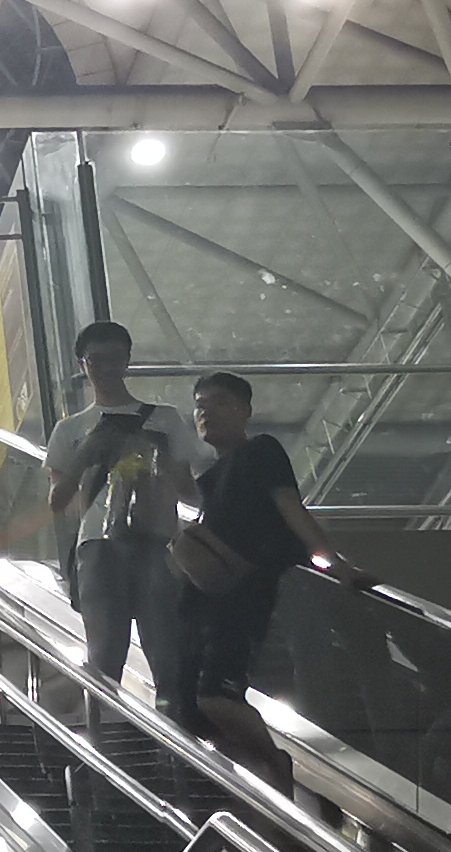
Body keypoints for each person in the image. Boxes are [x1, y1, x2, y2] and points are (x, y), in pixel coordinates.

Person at [174, 370, 369, 794]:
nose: (206, 412)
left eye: (219, 402)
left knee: (214, 696)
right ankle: (260, 781)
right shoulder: (210, 479)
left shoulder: (261, 452)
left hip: (248, 597)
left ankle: (275, 765)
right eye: (200, 405)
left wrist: (334, 564)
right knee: (191, 705)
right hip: (211, 600)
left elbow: (291, 508)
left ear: (245, 410)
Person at [38, 321, 202, 719]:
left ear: (128, 361)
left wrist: (160, 461)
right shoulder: (71, 429)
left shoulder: (165, 419)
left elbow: (188, 492)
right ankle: (104, 738)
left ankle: (173, 738)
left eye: (115, 358)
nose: (107, 368)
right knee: (105, 653)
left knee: (167, 651)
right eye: (96, 360)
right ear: (83, 365)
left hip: (157, 541)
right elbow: (58, 502)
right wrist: (87, 452)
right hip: (99, 545)